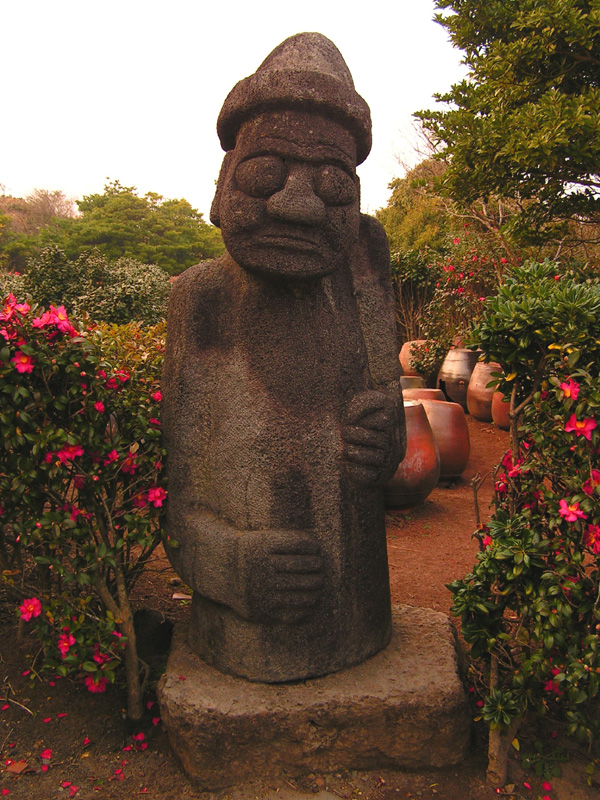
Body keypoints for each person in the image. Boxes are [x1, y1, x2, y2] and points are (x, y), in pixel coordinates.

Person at [162, 33, 405, 682]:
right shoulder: (202, 300)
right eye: (266, 173)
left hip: (358, 614)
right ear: (222, 186)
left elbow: (392, 420)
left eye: (332, 185)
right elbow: (180, 506)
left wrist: (387, 435)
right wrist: (233, 566)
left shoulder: (363, 263)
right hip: (246, 630)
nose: (298, 207)